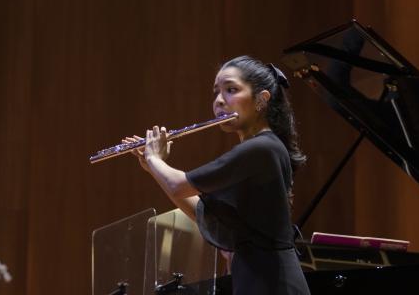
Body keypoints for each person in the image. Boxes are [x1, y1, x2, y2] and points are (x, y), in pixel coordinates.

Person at [123, 56, 311, 295]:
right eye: (217, 92)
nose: (220, 101)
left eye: (231, 90)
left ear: (262, 100)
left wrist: (154, 159)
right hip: (257, 278)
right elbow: (198, 209)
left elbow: (179, 184)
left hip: (273, 282)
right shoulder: (259, 150)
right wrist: (154, 168)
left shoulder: (261, 149)